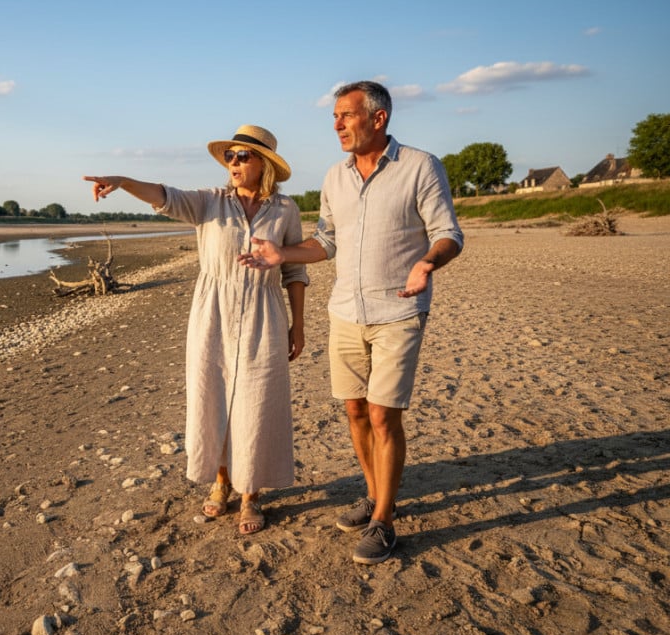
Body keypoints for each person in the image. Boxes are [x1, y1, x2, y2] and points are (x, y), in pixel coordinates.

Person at [239, 81, 463, 563]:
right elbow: (326, 242)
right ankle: (371, 491)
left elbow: (448, 234)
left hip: (399, 311)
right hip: (345, 311)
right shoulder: (334, 177)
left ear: (378, 119)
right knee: (356, 410)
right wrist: (282, 253)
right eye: (334, 117)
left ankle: (384, 518)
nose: (336, 124)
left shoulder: (421, 166)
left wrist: (428, 262)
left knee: (384, 414)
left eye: (346, 115)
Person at [84, 125, 308, 535]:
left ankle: (250, 494)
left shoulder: (285, 209)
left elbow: (295, 268)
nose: (235, 163)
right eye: (231, 156)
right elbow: (165, 196)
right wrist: (122, 181)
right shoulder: (209, 202)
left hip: (265, 313)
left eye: (244, 156)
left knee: (256, 402)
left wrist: (299, 325)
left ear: (265, 164)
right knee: (213, 396)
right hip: (213, 314)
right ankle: (222, 481)